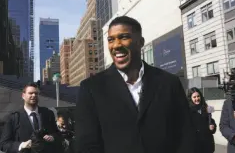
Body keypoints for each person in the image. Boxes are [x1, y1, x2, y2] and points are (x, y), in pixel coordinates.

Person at [75, 16, 195, 153]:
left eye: (124, 37)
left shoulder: (169, 83)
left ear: (140, 42)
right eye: (111, 40)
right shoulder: (91, 88)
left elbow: (185, 137)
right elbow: (86, 145)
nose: (116, 45)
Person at [0, 83, 62, 153]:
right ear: (23, 96)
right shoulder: (13, 117)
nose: (34, 95)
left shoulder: (48, 114)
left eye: (36, 93)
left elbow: (58, 134)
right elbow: (3, 144)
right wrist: (21, 145)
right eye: (30, 93)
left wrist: (53, 137)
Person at [187, 87, 216, 153]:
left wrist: (213, 126)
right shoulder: (188, 111)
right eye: (194, 97)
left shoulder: (206, 108)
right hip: (195, 146)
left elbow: (211, 121)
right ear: (190, 99)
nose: (197, 99)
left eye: (198, 96)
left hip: (207, 146)